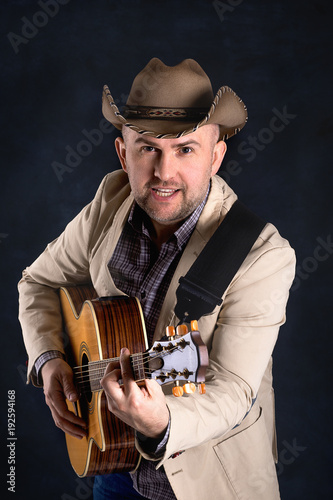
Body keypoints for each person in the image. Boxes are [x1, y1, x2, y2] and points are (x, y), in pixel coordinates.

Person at [18, 58, 296, 500]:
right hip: (115, 464)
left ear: (216, 156)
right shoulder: (110, 201)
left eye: (186, 149)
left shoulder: (261, 254)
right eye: (148, 148)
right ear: (123, 153)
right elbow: (36, 281)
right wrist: (49, 358)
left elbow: (233, 390)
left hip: (208, 483)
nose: (164, 173)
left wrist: (162, 423)